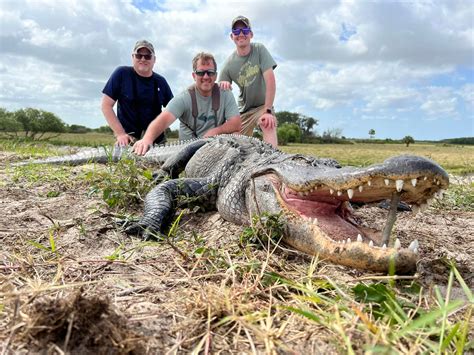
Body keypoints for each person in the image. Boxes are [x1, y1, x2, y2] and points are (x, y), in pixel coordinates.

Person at [132, 52, 241, 155]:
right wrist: (147, 139)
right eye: (201, 73)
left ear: (216, 76)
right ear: (194, 76)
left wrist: (215, 131)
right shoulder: (184, 97)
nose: (206, 77)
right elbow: (164, 119)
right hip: (188, 152)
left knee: (237, 136)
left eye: (210, 72)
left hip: (214, 145)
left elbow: (236, 124)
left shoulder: (225, 93)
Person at [219, 15, 278, 147]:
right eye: (236, 31)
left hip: (263, 106)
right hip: (243, 111)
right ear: (232, 36)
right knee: (233, 144)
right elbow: (217, 93)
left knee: (267, 123)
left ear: (250, 34)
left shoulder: (259, 50)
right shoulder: (228, 64)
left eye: (244, 30)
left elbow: (270, 81)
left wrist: (268, 111)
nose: (240, 34)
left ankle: (272, 162)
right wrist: (223, 85)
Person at [101, 40, 173, 146]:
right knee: (125, 158)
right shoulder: (121, 74)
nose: (143, 59)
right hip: (128, 138)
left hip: (155, 140)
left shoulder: (161, 82)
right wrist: (120, 134)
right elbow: (106, 105)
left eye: (148, 56)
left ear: (154, 59)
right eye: (139, 55)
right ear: (132, 57)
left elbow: (174, 109)